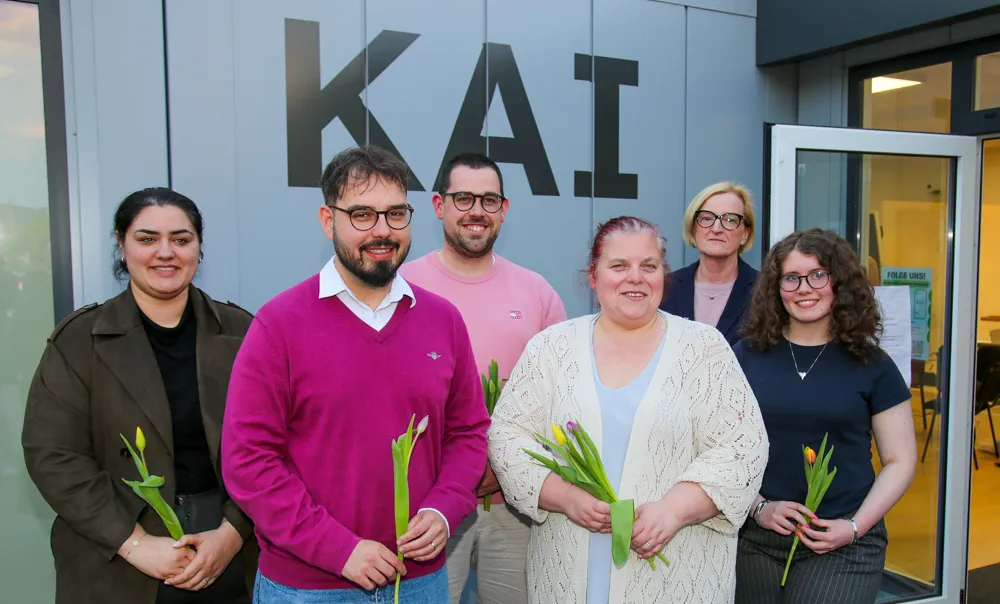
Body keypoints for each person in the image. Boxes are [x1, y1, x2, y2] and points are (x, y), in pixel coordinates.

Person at [221, 145, 490, 603]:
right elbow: (249, 461)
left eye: (395, 214)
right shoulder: (278, 325)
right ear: (329, 220)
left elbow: (469, 432)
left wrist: (444, 511)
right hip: (309, 588)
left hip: (420, 582)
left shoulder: (442, 320)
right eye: (362, 215)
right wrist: (337, 548)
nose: (382, 231)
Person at [487, 216, 769, 603]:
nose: (634, 277)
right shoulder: (550, 349)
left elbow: (743, 447)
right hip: (569, 571)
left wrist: (674, 510)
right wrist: (565, 497)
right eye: (619, 265)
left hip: (676, 574)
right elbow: (507, 437)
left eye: (648, 266)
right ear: (594, 276)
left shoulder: (705, 349)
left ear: (662, 275)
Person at [22, 187, 258, 604]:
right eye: (147, 239)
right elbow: (53, 455)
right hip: (115, 556)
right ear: (121, 244)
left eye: (181, 239)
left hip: (227, 555)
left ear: (199, 249)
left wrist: (233, 533)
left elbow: (274, 443)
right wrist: (134, 543)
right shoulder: (79, 340)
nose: (165, 252)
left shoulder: (243, 332)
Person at [399, 152, 567, 604]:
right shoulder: (402, 287)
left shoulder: (536, 292)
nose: (477, 210)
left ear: (504, 209)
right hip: (427, 503)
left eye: (489, 200)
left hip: (513, 502)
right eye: (464, 198)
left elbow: (562, 400)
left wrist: (505, 467)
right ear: (439, 205)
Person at [733, 228, 917, 604]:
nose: (805, 288)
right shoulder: (744, 356)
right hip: (753, 537)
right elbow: (719, 446)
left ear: (840, 283)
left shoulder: (872, 365)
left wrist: (853, 527)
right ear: (775, 287)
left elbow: (901, 460)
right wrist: (758, 507)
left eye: (819, 275)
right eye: (791, 278)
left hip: (842, 541)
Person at [660, 181, 759, 345]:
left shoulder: (765, 290)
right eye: (707, 218)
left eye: (730, 220)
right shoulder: (667, 288)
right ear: (693, 228)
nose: (717, 228)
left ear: (745, 234)